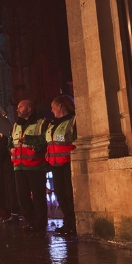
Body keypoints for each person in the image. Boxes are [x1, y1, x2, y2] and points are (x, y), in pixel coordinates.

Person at [10, 99, 48, 232]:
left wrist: (29, 140)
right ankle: (30, 221)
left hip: (35, 164)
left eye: (20, 107)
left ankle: (40, 223)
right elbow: (11, 141)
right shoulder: (16, 125)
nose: (17, 109)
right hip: (19, 166)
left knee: (38, 197)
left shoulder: (42, 123)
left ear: (29, 109)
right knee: (23, 197)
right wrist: (10, 148)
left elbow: (45, 140)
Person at [46, 95, 77, 235]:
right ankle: (68, 222)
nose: (51, 110)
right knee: (60, 194)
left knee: (70, 195)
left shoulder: (73, 120)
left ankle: (73, 224)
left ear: (60, 106)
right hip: (55, 164)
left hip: (69, 162)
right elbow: (45, 140)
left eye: (53, 107)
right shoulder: (53, 124)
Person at [0, 132, 20, 224]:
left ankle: (12, 214)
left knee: (9, 192)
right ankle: (13, 214)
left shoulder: (3, 140)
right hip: (10, 168)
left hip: (6, 170)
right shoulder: (7, 140)